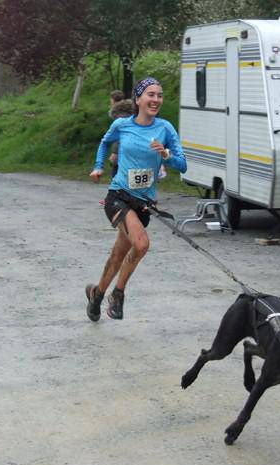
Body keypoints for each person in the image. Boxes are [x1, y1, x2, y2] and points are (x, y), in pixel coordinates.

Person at [86, 77, 187, 321]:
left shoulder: (165, 128)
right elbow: (104, 142)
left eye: (160, 95)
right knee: (141, 244)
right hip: (119, 196)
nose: (156, 100)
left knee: (118, 255)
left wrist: (166, 155)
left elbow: (182, 165)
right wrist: (99, 167)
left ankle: (96, 295)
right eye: (151, 95)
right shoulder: (122, 125)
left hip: (144, 204)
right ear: (138, 99)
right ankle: (117, 295)